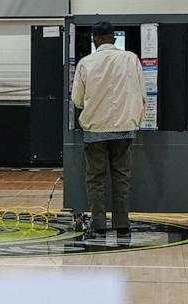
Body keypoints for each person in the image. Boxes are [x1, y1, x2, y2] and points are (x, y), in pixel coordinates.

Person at [71, 21, 146, 239]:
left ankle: (99, 225)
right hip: (125, 129)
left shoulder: (86, 63)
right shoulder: (131, 59)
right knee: (121, 177)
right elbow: (142, 94)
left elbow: (77, 100)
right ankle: (122, 225)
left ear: (95, 40)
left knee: (96, 179)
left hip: (95, 130)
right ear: (114, 38)